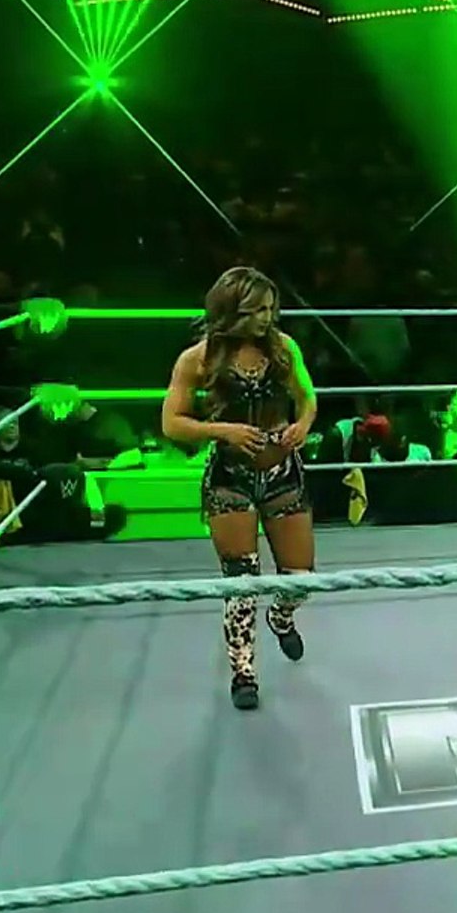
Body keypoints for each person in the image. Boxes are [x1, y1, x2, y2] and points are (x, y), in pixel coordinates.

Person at [161, 267, 319, 711]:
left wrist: (302, 425)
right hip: (231, 478)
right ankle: (243, 672)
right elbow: (171, 423)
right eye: (256, 310)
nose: (266, 318)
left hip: (282, 471)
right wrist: (223, 430)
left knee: (301, 578)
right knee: (241, 581)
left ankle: (281, 617)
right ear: (231, 312)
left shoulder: (284, 349)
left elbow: (307, 398)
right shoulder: (198, 359)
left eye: (270, 308)